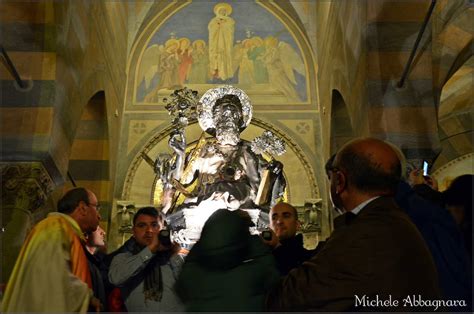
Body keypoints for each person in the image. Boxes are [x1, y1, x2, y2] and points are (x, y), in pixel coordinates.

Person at [266, 137, 441, 311]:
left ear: (340, 181)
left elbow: (289, 297)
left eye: (331, 177)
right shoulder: (391, 220)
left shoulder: (364, 234)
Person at [163, 86, 285, 214]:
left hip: (241, 202)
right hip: (207, 202)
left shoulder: (249, 152)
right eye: (223, 116)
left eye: (233, 115)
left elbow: (266, 183)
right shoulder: (203, 151)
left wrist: (275, 171)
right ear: (215, 122)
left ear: (239, 122)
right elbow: (182, 181)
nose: (228, 119)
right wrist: (180, 155)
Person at [2, 187, 102, 312]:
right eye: (97, 208)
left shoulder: (68, 231)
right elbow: (52, 276)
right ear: (82, 207)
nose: (99, 216)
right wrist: (87, 296)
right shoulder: (55, 227)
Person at [175, 208, 280, 311]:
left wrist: (200, 245)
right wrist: (257, 242)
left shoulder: (194, 270)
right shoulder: (255, 268)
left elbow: (181, 289)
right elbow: (275, 283)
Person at [108, 207, 184, 312]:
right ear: (133, 232)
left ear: (163, 229)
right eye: (142, 225)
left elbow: (191, 289)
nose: (149, 230)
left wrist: (174, 255)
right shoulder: (123, 259)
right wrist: (151, 249)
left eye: (154, 225)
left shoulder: (174, 259)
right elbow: (116, 278)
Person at [263, 202, 316, 275]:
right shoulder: (263, 257)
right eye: (274, 218)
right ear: (269, 227)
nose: (279, 222)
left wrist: (277, 247)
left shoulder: (310, 258)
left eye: (286, 216)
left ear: (297, 225)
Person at [208, 2, 235, 81]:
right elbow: (211, 29)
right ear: (218, 12)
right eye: (221, 10)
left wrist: (224, 25)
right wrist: (217, 25)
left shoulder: (230, 20)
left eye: (224, 11)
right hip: (216, 42)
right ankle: (216, 74)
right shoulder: (214, 20)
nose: (222, 12)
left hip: (226, 42)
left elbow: (230, 30)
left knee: (225, 56)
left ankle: (225, 74)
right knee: (216, 56)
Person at [85, 225, 109, 311]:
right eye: (98, 228)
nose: (103, 232)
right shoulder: (83, 261)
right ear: (86, 235)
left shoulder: (98, 261)